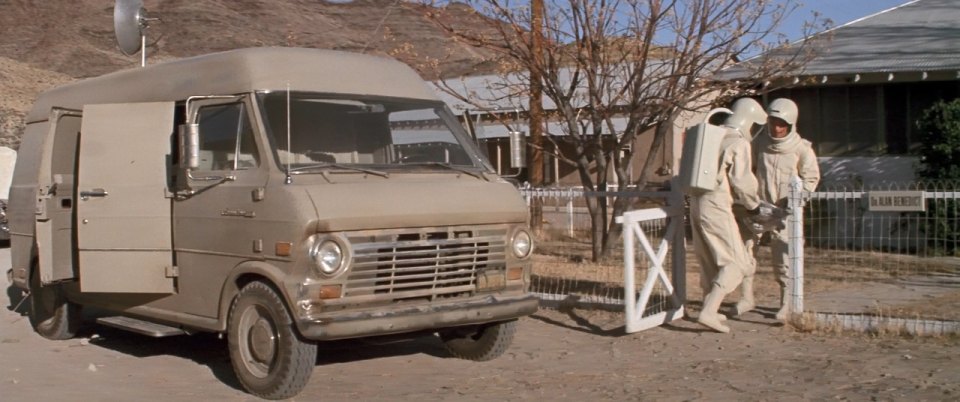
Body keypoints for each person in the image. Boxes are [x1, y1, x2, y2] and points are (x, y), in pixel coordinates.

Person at [736, 98, 820, 321]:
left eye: (781, 123)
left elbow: (811, 178)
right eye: (773, 122)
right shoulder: (759, 143)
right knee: (745, 252)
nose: (776, 127)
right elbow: (748, 169)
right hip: (758, 208)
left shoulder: (801, 149)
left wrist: (797, 200)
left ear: (791, 123)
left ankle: (785, 303)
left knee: (783, 258)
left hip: (785, 212)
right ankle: (746, 297)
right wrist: (749, 200)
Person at [689, 97, 767, 333]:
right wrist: (754, 206)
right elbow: (742, 182)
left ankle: (708, 305)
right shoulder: (738, 142)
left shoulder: (710, 135)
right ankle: (709, 312)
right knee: (737, 262)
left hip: (695, 200)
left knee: (709, 259)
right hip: (716, 203)